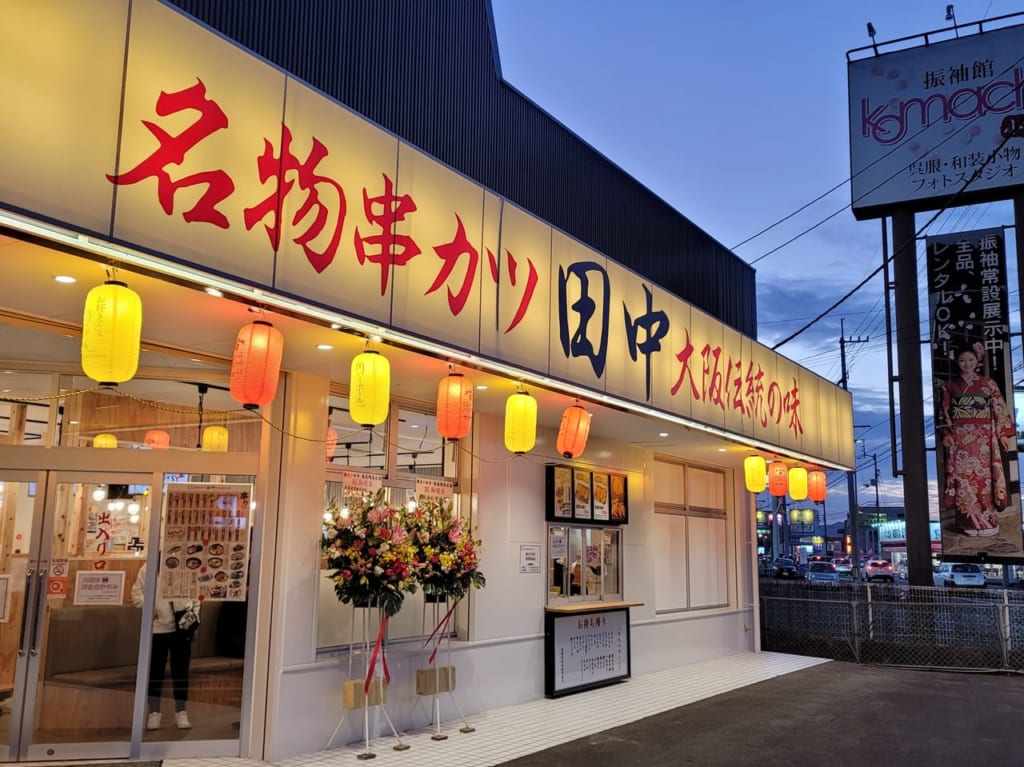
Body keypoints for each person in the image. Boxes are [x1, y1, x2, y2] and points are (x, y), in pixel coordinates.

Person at [938, 342, 1017, 537]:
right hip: (960, 439)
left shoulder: (988, 384)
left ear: (977, 360)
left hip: (984, 438)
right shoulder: (949, 386)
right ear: (957, 362)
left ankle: (988, 520)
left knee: (984, 480)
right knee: (963, 480)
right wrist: (947, 434)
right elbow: (944, 413)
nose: (967, 364)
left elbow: (999, 408)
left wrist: (1004, 435)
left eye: (971, 359)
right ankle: (967, 522)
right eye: (963, 360)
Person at [132, 562, 200, 730]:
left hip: (181, 628)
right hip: (157, 628)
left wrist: (193, 619)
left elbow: (197, 595)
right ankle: (154, 712)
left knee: (181, 671)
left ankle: (181, 711)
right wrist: (151, 606)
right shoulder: (148, 567)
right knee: (155, 671)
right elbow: (136, 594)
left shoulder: (188, 565)